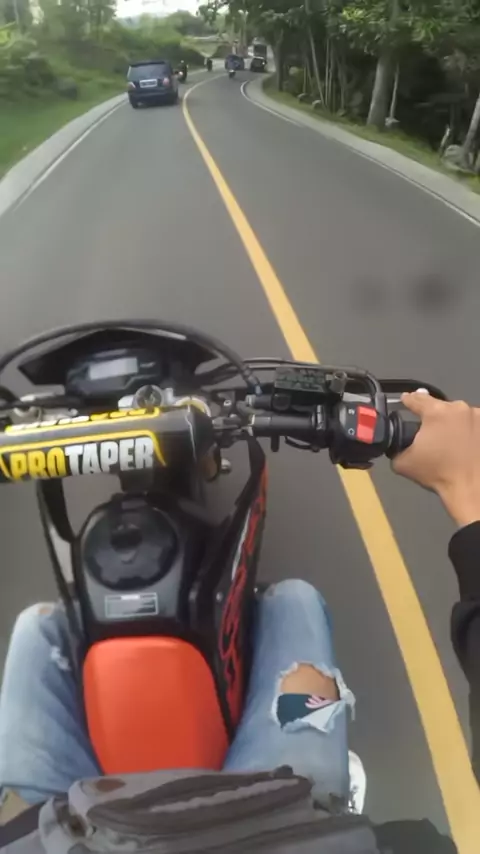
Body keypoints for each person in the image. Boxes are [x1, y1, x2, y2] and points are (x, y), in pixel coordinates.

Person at [0, 390, 479, 852]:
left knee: (39, 627)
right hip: (270, 817)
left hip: (58, 830)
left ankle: (323, 797)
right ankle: (328, 795)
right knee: (291, 602)